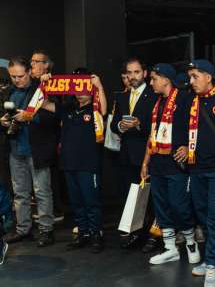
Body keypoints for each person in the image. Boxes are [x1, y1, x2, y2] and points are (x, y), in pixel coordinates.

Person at [40, 73, 107, 253]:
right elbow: (44, 104)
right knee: (76, 202)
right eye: (77, 89)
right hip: (69, 163)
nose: (80, 93)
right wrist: (43, 85)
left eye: (84, 89)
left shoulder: (95, 109)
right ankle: (83, 233)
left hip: (88, 164)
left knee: (91, 201)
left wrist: (99, 86)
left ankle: (96, 235)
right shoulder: (67, 107)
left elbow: (104, 110)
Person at [140, 63, 200, 265]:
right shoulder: (157, 103)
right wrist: (146, 161)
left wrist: (189, 147)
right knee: (161, 206)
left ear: (166, 79)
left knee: (179, 205)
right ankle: (170, 248)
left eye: (154, 78)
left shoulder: (185, 99)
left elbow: (197, 126)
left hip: (176, 164)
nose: (151, 82)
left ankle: (191, 243)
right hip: (157, 162)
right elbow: (152, 133)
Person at [185, 59, 215, 287]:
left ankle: (212, 263)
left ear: (208, 76)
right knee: (202, 214)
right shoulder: (191, 101)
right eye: (190, 76)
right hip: (196, 167)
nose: (191, 81)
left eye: (195, 76)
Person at [1, 57, 58, 247]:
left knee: (42, 191)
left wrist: (30, 117)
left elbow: (54, 118)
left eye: (20, 76)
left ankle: (46, 230)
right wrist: (3, 122)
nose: (17, 80)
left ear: (29, 72)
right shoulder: (8, 92)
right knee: (20, 192)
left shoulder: (42, 89)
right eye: (13, 76)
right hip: (15, 149)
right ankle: (23, 229)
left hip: (37, 149)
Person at [110, 57, 160, 252]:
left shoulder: (154, 94)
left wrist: (139, 124)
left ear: (145, 73)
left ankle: (155, 236)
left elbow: (159, 124)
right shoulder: (121, 96)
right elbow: (113, 124)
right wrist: (120, 126)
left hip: (149, 154)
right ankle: (135, 233)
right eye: (129, 73)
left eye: (136, 72)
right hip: (127, 154)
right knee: (132, 197)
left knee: (154, 198)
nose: (132, 76)